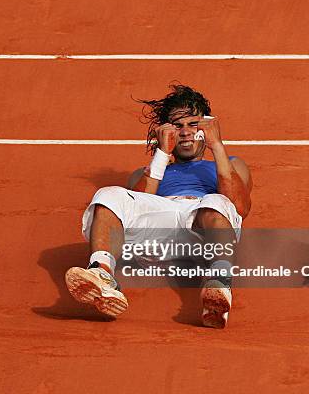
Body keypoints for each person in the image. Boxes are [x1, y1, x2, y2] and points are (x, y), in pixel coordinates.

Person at [65, 84, 252, 328]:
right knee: (108, 194)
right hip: (157, 236)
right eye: (177, 125)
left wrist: (217, 146)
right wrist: (162, 154)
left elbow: (238, 207)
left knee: (215, 202)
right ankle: (102, 275)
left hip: (200, 230)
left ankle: (218, 284)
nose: (185, 132)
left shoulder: (230, 164)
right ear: (165, 131)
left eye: (192, 124)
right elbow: (132, 211)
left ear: (206, 127)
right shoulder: (149, 171)